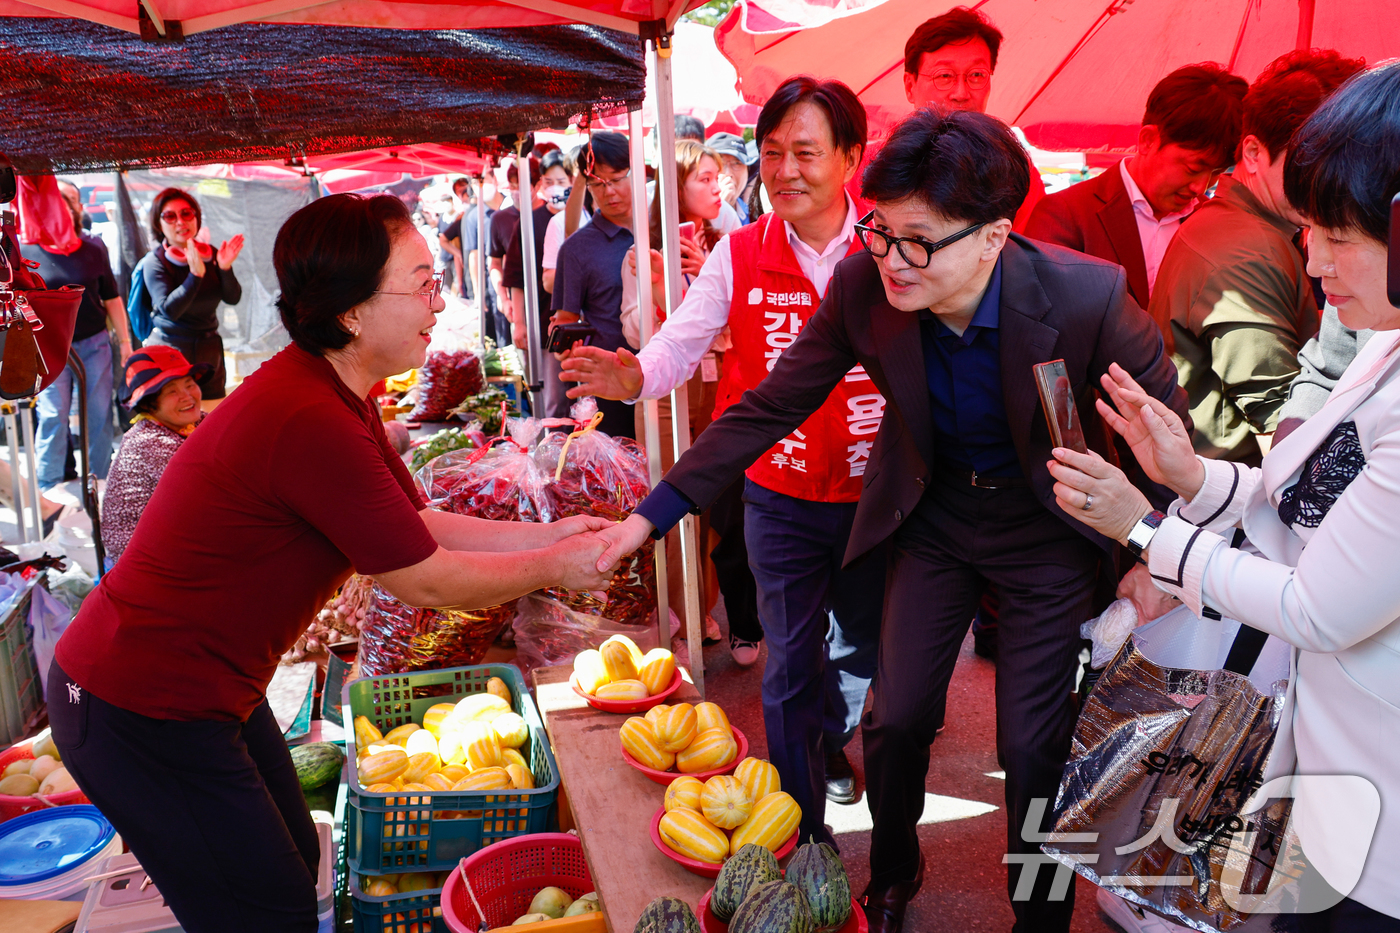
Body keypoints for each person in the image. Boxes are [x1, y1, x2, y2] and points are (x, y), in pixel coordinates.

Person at [588, 107, 1188, 933]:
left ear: (992, 237)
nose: (891, 259)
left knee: (1033, 749)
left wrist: (1153, 548)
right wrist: (651, 516)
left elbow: (1169, 435)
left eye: (918, 240)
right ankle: (897, 870)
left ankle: (1039, 916)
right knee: (897, 716)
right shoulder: (866, 285)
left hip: (1047, 529)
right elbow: (771, 404)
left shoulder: (1086, 297)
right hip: (934, 518)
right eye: (880, 231)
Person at [46, 193, 615, 933]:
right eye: (422, 283)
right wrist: (556, 566)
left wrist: (561, 535)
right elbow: (421, 577)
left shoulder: (337, 393)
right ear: (350, 311)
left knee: (287, 872)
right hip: (139, 704)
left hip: (207, 689)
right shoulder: (308, 414)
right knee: (268, 910)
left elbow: (417, 525)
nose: (437, 302)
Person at [1046, 61, 1400, 931]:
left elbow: (1316, 607)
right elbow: (1310, 503)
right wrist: (1191, 477)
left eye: (1336, 235)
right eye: (1308, 228)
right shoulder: (1383, 342)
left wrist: (1144, 530)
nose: (1311, 260)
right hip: (1330, 770)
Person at [561, 77, 891, 838]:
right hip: (777, 493)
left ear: (850, 158)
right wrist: (637, 372)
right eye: (771, 154)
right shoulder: (742, 251)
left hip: (877, 502)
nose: (785, 171)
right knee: (786, 667)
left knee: (859, 654)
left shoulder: (889, 245)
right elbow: (683, 335)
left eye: (806, 152)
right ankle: (800, 830)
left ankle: (826, 736)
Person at [1150, 50, 1363, 466]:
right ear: (1252, 152)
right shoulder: (1245, 252)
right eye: (1311, 162)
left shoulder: (1258, 230)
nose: (1331, 181)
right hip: (1234, 501)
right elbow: (1283, 426)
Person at [618, 139, 744, 649]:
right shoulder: (642, 249)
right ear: (674, 187)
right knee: (671, 493)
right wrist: (661, 290)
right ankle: (675, 613)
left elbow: (739, 325)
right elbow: (633, 333)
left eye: (718, 178)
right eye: (704, 179)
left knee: (721, 503)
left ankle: (705, 603)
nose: (717, 188)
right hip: (669, 385)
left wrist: (705, 269)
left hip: (723, 383)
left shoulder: (731, 237)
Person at [1025, 63, 1248, 309]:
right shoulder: (1066, 215)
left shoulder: (1214, 222)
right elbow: (1042, 317)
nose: (1200, 187)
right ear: (1148, 140)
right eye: (1193, 169)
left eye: (1217, 173)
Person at [20, 179, 133, 489]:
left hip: (94, 342)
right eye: (59, 200)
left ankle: (100, 480)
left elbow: (111, 297)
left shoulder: (94, 246)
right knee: (54, 415)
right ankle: (49, 485)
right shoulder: (25, 248)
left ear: (79, 207)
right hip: (49, 346)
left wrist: (125, 343)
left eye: (71, 200)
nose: (65, 206)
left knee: (98, 413)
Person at [900, 6, 1046, 230]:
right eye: (945, 76)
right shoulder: (869, 166)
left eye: (977, 75)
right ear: (910, 86)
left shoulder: (1015, 171)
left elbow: (1032, 256)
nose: (961, 93)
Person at [549, 131, 638, 439]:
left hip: (668, 377)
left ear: (636, 172)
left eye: (616, 179)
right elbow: (564, 323)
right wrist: (566, 348)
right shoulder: (576, 249)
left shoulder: (662, 227)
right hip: (610, 385)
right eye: (597, 184)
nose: (608, 191)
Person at [101, 345, 209, 563]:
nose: (187, 396)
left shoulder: (191, 421)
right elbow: (209, 499)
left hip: (173, 540)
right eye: (172, 391)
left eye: (190, 384)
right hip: (141, 561)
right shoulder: (150, 443)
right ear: (150, 404)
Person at [139, 187, 243, 400]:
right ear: (159, 224)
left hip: (209, 349)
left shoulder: (211, 253)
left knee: (212, 417)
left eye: (187, 213)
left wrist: (224, 268)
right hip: (172, 350)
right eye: (170, 216)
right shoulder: (155, 262)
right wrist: (194, 276)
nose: (180, 221)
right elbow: (169, 310)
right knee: (179, 418)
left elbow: (233, 298)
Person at [505, 150, 572, 416]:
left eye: (562, 180)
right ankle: (552, 453)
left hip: (586, 326)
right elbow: (516, 278)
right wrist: (520, 323)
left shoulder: (586, 217)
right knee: (553, 400)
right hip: (544, 326)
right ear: (541, 184)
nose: (555, 187)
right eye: (549, 181)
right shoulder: (530, 222)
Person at [708, 132, 758, 225]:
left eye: (737, 163)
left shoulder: (754, 216)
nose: (728, 173)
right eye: (720, 164)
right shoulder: (697, 214)